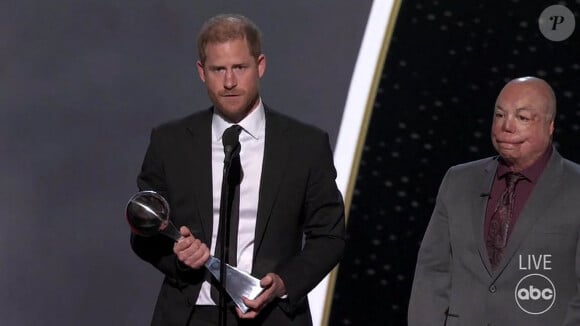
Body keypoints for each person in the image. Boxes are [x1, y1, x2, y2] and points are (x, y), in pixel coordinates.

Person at [130, 13, 346, 326]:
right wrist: (179, 257)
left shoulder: (305, 146)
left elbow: (329, 237)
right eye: (218, 69)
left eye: (239, 68)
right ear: (202, 72)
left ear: (260, 66)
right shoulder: (170, 143)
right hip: (190, 314)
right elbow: (144, 231)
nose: (229, 82)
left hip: (272, 315)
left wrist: (283, 283)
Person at [408, 76, 580, 325]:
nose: (506, 126)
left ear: (550, 125)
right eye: (500, 115)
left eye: (522, 118)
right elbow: (432, 272)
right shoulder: (458, 181)